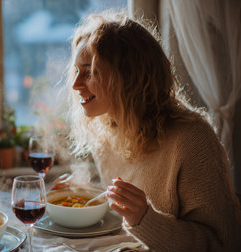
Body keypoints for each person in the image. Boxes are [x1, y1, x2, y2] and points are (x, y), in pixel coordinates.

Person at [59, 13, 241, 251]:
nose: (75, 85)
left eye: (90, 72)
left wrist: (144, 218)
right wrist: (85, 189)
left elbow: (222, 243)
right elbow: (127, 193)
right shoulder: (107, 127)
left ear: (127, 76)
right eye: (77, 71)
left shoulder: (193, 140)